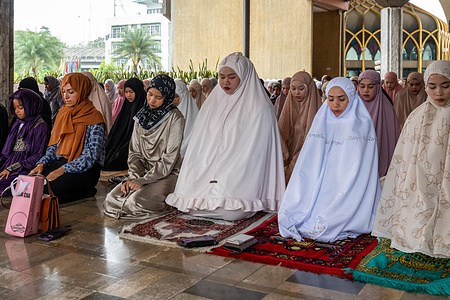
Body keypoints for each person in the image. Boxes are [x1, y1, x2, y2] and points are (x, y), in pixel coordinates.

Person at [165, 52, 285, 221]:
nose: (225, 82)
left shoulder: (260, 107)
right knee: (189, 203)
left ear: (244, 77)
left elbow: (256, 154)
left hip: (240, 170)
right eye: (221, 77)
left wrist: (228, 168)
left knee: (232, 210)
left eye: (231, 77)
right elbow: (200, 143)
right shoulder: (212, 103)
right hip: (209, 166)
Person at [278, 77, 381, 243]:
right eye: (330, 99)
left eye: (341, 99)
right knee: (299, 208)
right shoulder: (322, 120)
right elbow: (309, 158)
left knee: (330, 219)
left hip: (348, 182)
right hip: (320, 180)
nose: (335, 104)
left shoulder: (361, 124)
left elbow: (361, 164)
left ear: (352, 98)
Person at [372, 60, 450, 258]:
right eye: (432, 87)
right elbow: (405, 156)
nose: (438, 93)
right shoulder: (417, 116)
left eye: (446, 86)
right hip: (421, 178)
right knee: (421, 206)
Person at [103, 74, 185, 219]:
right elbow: (134, 153)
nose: (152, 100)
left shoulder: (175, 117)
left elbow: (169, 159)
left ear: (167, 97)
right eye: (150, 94)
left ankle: (169, 203)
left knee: (135, 202)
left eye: (158, 97)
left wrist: (142, 181)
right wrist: (134, 177)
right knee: (111, 199)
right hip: (141, 173)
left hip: (167, 174)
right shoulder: (141, 116)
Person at [29, 73, 106, 203]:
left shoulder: (94, 118)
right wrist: (41, 164)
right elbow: (53, 146)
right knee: (29, 185)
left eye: (71, 92)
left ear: (82, 91)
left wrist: (62, 170)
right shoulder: (63, 114)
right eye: (63, 92)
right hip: (60, 162)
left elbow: (90, 157)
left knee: (47, 190)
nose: (66, 96)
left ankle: (85, 190)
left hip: (85, 170)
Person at [0, 89, 49, 196]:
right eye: (15, 108)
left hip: (24, 168)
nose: (17, 111)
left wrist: (11, 168)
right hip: (9, 163)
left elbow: (37, 155)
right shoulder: (18, 123)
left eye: (21, 108)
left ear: (31, 106)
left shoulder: (40, 126)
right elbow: (7, 150)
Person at [278, 71, 322, 184]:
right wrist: (284, 155)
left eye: (301, 89)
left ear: (309, 88)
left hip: (307, 157)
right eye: (293, 88)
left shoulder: (318, 110)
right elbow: (282, 131)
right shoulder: (289, 105)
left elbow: (314, 140)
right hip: (289, 154)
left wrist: (297, 160)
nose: (296, 93)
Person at [358, 70, 401, 178]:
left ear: (377, 87)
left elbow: (393, 139)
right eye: (362, 86)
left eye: (370, 87)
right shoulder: (353, 108)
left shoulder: (387, 109)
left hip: (381, 165)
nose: (365, 90)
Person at [103, 78, 147, 171]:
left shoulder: (144, 109)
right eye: (126, 92)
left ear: (138, 91)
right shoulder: (126, 106)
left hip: (136, 145)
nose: (128, 95)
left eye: (131, 92)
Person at [174, 79, 199, 158]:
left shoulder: (195, 115)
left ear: (183, 95)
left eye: (175, 96)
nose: (173, 100)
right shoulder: (171, 112)